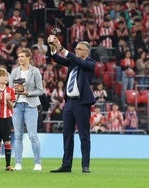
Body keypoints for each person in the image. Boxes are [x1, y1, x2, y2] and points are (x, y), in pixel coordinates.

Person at [47, 35, 96, 173]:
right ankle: (66, 165)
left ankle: (85, 165)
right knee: (67, 134)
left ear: (86, 51)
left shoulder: (91, 63)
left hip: (82, 103)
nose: (76, 51)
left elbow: (76, 59)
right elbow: (57, 59)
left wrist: (61, 47)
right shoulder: (73, 63)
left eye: (79, 49)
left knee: (84, 135)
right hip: (69, 103)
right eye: (76, 49)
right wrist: (53, 48)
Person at [9, 48, 44, 171]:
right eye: (19, 56)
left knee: (33, 136)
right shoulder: (14, 72)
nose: (20, 58)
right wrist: (15, 91)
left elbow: (41, 90)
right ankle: (18, 163)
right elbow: (9, 90)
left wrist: (27, 92)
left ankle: (38, 163)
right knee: (18, 135)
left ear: (29, 57)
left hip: (31, 105)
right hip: (17, 106)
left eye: (23, 56)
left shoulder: (35, 71)